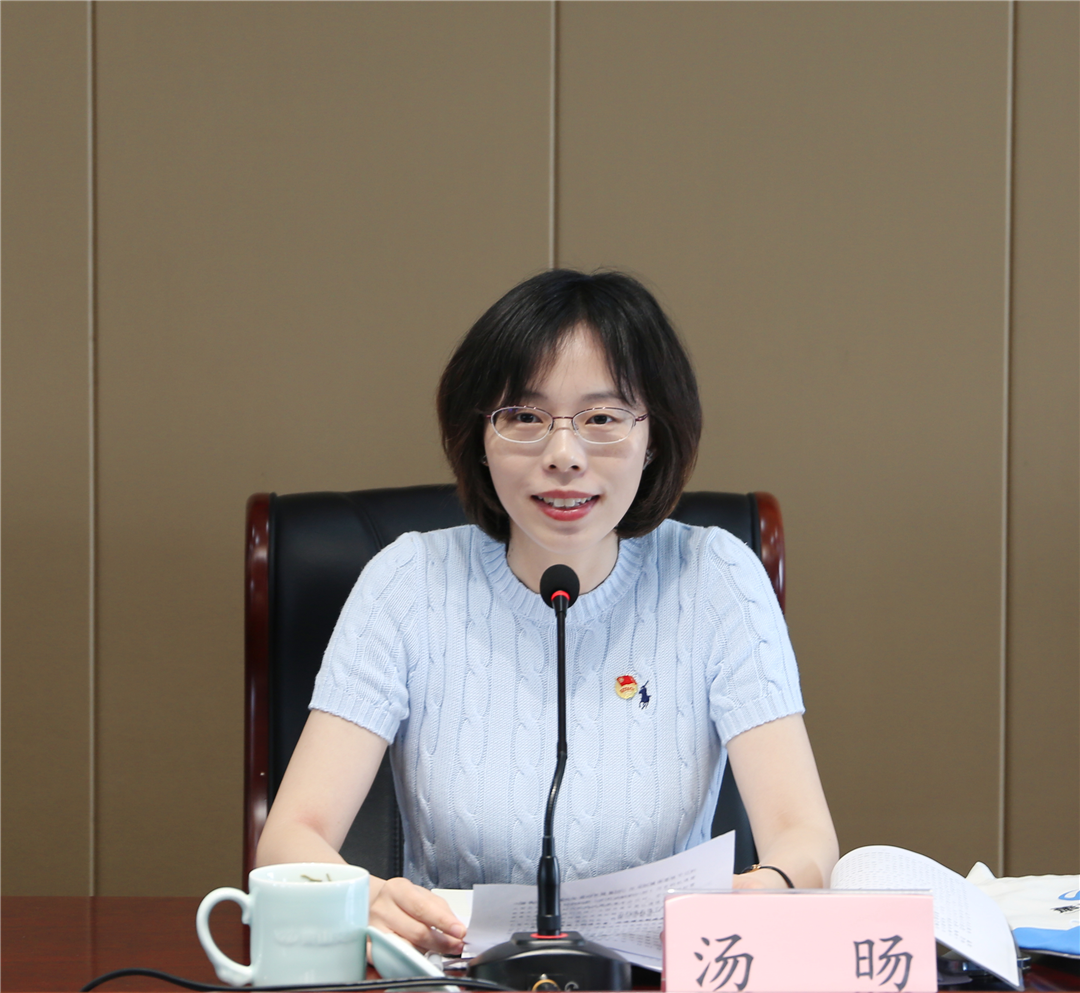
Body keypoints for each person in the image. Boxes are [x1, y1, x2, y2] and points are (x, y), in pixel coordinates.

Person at [255, 269, 838, 957]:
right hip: (457, 974)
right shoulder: (407, 583)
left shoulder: (717, 578)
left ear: (654, 435)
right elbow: (287, 839)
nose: (564, 456)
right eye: (525, 417)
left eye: (602, 417)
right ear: (479, 436)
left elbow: (805, 837)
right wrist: (363, 897)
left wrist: (768, 886)